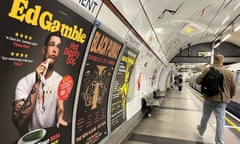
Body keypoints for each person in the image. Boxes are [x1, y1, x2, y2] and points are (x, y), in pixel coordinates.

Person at [12, 32, 68, 136]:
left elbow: (60, 105)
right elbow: (19, 121)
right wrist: (37, 83)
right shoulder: (24, 82)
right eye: (52, 45)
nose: (55, 50)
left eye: (58, 46)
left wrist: (60, 118)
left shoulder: (60, 80)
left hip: (50, 138)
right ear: (44, 50)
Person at [196, 54, 236, 144]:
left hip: (209, 98)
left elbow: (198, 81)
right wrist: (230, 96)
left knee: (205, 116)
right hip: (222, 100)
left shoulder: (207, 70)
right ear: (222, 61)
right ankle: (219, 141)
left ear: (214, 60)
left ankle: (201, 131)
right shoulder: (229, 73)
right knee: (221, 120)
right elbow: (233, 87)